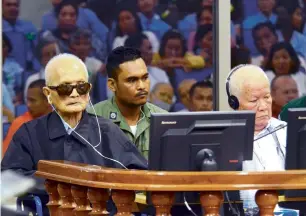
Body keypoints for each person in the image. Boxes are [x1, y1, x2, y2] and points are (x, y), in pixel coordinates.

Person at [2, 53, 147, 179]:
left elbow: (139, 172)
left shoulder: (107, 131)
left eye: (81, 87)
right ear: (48, 94)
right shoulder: (29, 133)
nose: (74, 94)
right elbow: (9, 177)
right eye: (65, 88)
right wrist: (53, 182)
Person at [87, 47, 167, 159]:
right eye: (132, 80)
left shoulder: (163, 119)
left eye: (145, 78)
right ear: (112, 85)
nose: (142, 86)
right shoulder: (93, 118)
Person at [226, 64, 287, 210]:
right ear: (233, 103)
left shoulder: (285, 131)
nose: (263, 106)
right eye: (254, 101)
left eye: (266, 97)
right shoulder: (225, 138)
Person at [3, 79, 53, 157]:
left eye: (32, 101)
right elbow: (5, 157)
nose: (28, 105)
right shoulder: (20, 123)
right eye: (27, 100)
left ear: (48, 101)